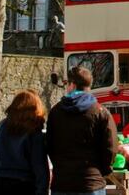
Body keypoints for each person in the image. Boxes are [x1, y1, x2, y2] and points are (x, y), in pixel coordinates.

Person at [47, 66, 117, 195]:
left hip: (62, 182)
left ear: (72, 85)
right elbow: (110, 148)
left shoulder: (55, 112)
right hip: (91, 181)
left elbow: (50, 145)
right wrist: (103, 170)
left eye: (67, 84)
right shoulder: (100, 112)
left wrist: (60, 167)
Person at [0, 90, 49, 195]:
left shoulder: (2, 126)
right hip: (23, 183)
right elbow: (39, 165)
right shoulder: (34, 130)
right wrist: (42, 190)